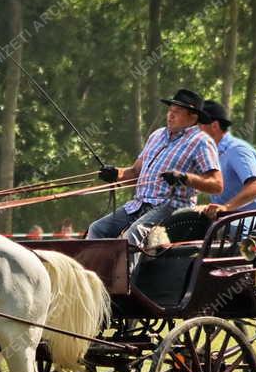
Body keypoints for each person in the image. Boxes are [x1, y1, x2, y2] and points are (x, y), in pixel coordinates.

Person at [87, 87, 222, 267]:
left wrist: (185, 178)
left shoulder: (201, 142)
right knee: (97, 229)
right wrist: (116, 174)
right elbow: (135, 173)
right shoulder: (156, 136)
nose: (170, 115)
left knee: (133, 235)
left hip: (171, 206)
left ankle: (125, 288)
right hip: (139, 204)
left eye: (177, 112)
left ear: (193, 117)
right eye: (170, 111)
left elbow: (217, 184)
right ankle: (95, 280)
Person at [198, 100, 256, 240]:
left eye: (200, 125)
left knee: (233, 230)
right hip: (228, 221)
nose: (196, 130)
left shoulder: (237, 150)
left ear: (214, 126)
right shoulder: (209, 155)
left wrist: (226, 207)